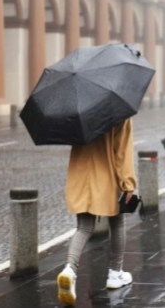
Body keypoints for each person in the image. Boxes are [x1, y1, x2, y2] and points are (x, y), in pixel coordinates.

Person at [57, 119, 136, 306]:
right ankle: (115, 273)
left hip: (81, 177)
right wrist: (128, 183)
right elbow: (122, 152)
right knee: (117, 223)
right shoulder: (120, 113)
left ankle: (69, 270)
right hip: (108, 178)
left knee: (84, 227)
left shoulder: (79, 113)